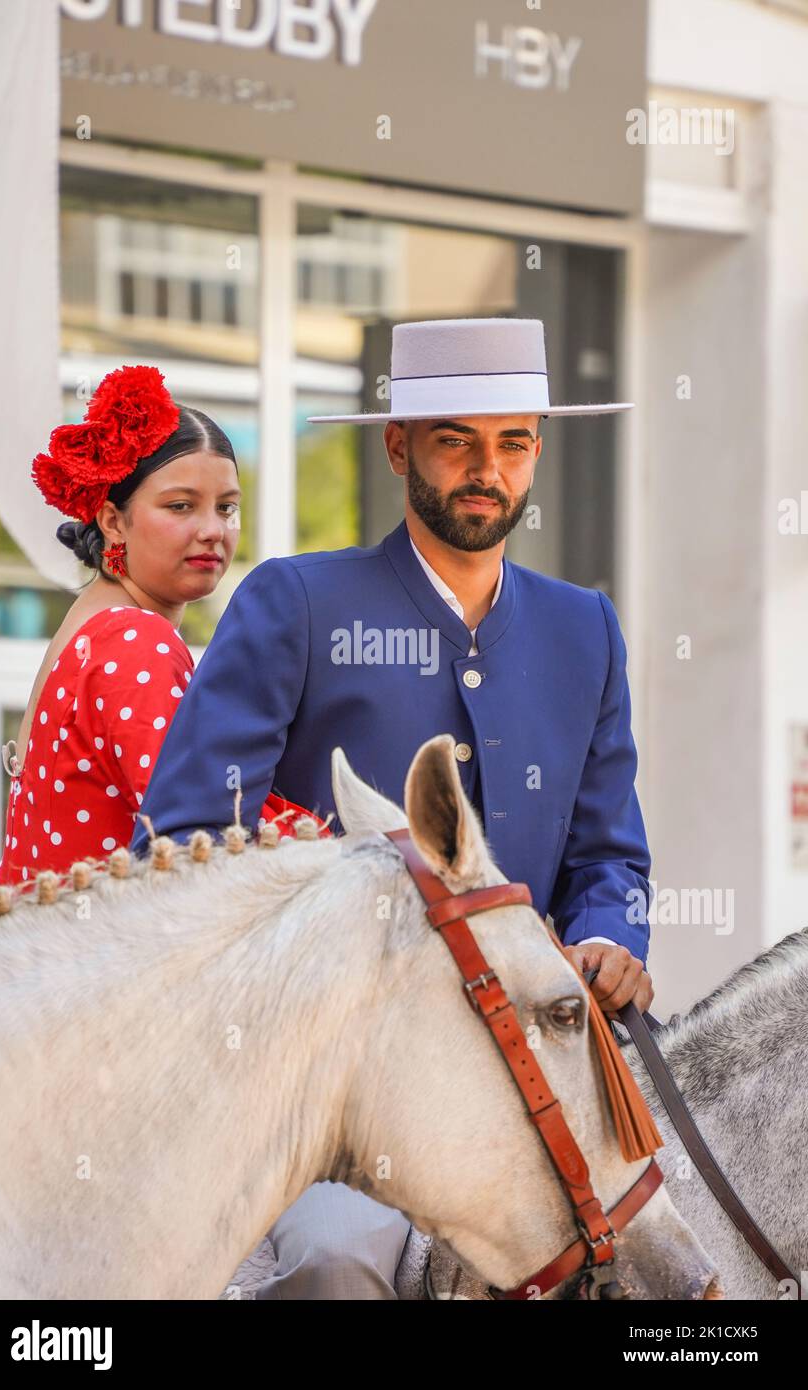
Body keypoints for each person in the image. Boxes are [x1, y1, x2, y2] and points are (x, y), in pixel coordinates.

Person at [130, 317, 654, 1299]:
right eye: (455, 438)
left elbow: (608, 858)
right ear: (398, 445)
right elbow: (180, 844)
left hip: (537, 1075)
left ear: (536, 450)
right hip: (336, 1081)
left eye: (512, 442)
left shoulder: (585, 628)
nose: (484, 469)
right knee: (340, 1259)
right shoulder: (295, 603)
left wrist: (609, 938)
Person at [0, 364, 326, 890]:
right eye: (180, 506)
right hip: (108, 960)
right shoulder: (135, 640)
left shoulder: (91, 626)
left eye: (227, 507)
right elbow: (201, 833)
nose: (213, 530)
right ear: (112, 521)